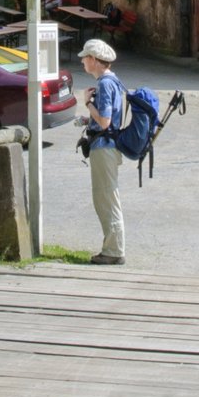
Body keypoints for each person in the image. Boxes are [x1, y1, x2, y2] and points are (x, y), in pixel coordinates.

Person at [79, 38, 126, 264]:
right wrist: (87, 118)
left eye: (85, 57)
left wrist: (88, 103)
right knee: (107, 197)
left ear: (95, 61)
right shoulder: (112, 80)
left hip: (104, 147)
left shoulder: (105, 84)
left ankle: (114, 252)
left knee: (106, 198)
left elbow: (106, 121)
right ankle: (112, 249)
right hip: (108, 146)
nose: (82, 61)